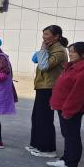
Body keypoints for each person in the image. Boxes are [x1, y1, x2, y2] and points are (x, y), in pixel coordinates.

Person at [46, 42, 84, 167]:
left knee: (72, 136)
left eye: (73, 51)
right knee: (67, 134)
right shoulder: (73, 66)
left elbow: (78, 95)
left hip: (71, 109)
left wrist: (69, 111)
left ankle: (72, 164)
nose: (70, 54)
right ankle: (66, 159)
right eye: (69, 51)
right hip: (63, 107)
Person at [26, 25, 68, 158]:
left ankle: (48, 149)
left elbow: (44, 66)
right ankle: (36, 144)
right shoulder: (50, 47)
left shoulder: (59, 51)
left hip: (50, 87)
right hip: (42, 86)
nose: (44, 37)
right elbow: (34, 59)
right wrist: (43, 48)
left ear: (56, 36)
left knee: (44, 118)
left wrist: (44, 49)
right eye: (43, 34)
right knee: (37, 117)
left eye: (47, 34)